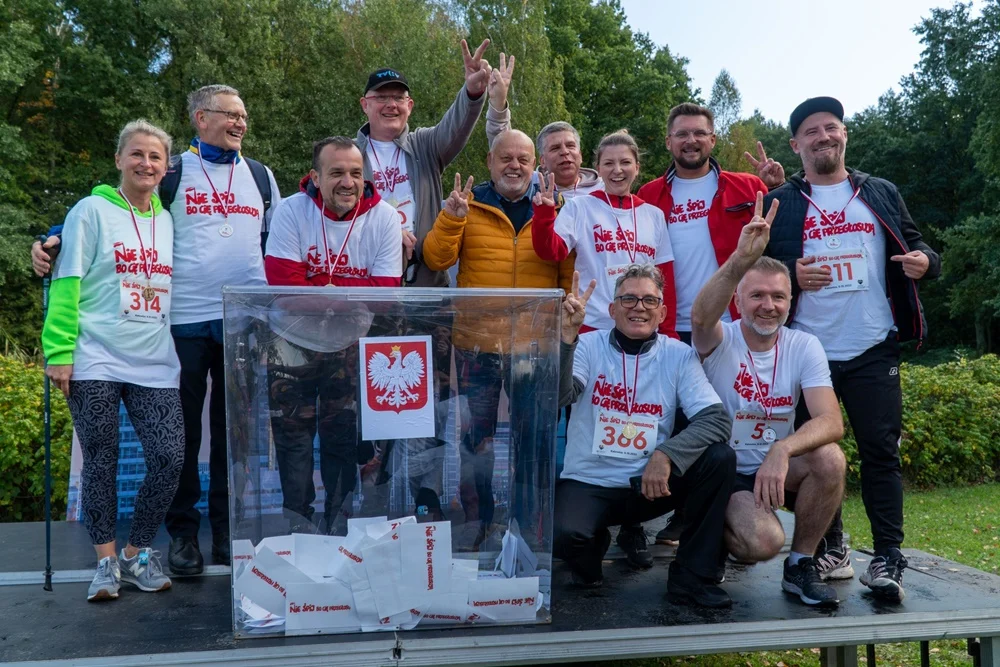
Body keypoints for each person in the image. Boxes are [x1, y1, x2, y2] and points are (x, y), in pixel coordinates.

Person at [33, 85, 283, 575]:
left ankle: (226, 532)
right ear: (201, 118)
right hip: (183, 322)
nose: (240, 123)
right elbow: (118, 213)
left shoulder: (261, 175)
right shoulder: (175, 172)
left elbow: (282, 233)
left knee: (232, 435)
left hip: (242, 322)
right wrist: (51, 239)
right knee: (182, 440)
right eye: (230, 114)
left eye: (244, 115)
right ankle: (183, 535)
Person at [764, 96, 941, 601]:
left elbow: (919, 244)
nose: (823, 136)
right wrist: (792, 272)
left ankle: (888, 556)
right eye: (811, 131)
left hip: (872, 344)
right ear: (796, 145)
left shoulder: (879, 191)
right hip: (808, 351)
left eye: (831, 127)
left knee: (881, 452)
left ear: (844, 135)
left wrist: (926, 262)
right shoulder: (782, 201)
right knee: (818, 455)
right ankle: (831, 547)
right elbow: (760, 268)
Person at [42, 120, 183, 601]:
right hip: (95, 355)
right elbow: (67, 283)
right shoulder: (91, 210)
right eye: (137, 154)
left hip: (155, 360)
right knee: (101, 459)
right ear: (119, 159)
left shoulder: (168, 220)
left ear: (166, 167)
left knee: (168, 458)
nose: (146, 163)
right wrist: (59, 352)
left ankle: (136, 553)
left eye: (155, 156)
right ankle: (105, 564)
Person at [637, 103, 784, 547]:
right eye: (682, 134)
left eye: (699, 133)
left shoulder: (747, 187)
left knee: (722, 417)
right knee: (673, 420)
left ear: (712, 139)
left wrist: (780, 185)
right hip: (668, 323)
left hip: (731, 323)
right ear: (669, 141)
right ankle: (680, 514)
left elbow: (781, 236)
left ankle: (720, 513)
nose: (691, 141)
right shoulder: (648, 195)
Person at [691, 193, 846, 607]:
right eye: (757, 295)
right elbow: (700, 316)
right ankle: (714, 534)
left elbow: (831, 421)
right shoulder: (719, 338)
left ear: (790, 303)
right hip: (726, 474)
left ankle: (800, 565)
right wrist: (741, 259)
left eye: (778, 297)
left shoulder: (804, 344)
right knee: (762, 542)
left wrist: (783, 449)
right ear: (737, 301)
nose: (768, 306)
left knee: (830, 459)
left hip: (776, 467)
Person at [422, 129, 574, 547]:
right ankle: (479, 522)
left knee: (533, 441)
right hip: (477, 344)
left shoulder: (555, 206)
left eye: (523, 159)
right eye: (506, 158)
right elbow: (436, 257)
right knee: (476, 440)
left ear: (535, 164)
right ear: (490, 161)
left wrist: (565, 325)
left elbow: (567, 270)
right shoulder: (468, 205)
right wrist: (451, 217)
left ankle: (527, 527)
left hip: (534, 348)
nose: (515, 166)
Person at [554, 264, 735, 608]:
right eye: (629, 299)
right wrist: (566, 339)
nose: (639, 307)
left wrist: (666, 455)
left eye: (649, 300)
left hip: (650, 484)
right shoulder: (586, 345)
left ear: (662, 312)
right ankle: (592, 547)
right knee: (565, 538)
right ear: (612, 309)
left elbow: (715, 419)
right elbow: (561, 397)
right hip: (591, 482)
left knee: (719, 459)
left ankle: (692, 578)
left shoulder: (678, 354)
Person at [264, 136, 402, 533]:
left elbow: (386, 295)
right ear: (315, 176)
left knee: (341, 439)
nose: (348, 182)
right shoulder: (291, 211)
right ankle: (298, 526)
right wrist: (354, 295)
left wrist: (321, 292)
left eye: (356, 173)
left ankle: (337, 526)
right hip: (290, 342)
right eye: (337, 173)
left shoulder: (384, 217)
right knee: (293, 441)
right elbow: (285, 292)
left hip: (348, 344)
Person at [355, 38, 494, 288]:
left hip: (425, 284)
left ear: (409, 106)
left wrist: (472, 92)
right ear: (365, 104)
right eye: (381, 97)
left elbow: (456, 126)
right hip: (366, 284)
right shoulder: (348, 155)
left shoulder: (425, 145)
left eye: (399, 98)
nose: (391, 105)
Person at [532, 130, 678, 336]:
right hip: (593, 325)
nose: (617, 170)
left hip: (642, 325)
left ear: (637, 168)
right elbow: (550, 252)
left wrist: (668, 332)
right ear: (598, 169)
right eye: (609, 163)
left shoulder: (653, 215)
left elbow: (665, 278)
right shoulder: (580, 207)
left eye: (625, 162)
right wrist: (544, 215)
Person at [483, 54, 602, 199]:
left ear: (581, 155)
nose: (564, 152)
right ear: (542, 161)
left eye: (570, 146)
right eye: (555, 148)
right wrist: (499, 101)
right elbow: (504, 143)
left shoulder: (605, 189)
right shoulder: (528, 184)